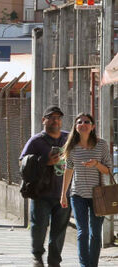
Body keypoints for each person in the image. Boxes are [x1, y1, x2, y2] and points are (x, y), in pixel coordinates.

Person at [59, 113, 112, 267]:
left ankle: (92, 264)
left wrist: (96, 163)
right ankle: (84, 265)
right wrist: (64, 194)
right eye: (79, 122)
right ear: (76, 127)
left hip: (98, 196)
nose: (83, 124)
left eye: (87, 122)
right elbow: (68, 170)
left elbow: (108, 170)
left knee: (95, 234)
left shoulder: (101, 145)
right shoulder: (71, 146)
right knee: (82, 233)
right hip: (78, 195)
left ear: (92, 126)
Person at [20, 106, 69, 267]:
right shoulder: (36, 141)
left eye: (58, 118)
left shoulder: (68, 139)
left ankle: (54, 261)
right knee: (39, 227)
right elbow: (23, 163)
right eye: (52, 117)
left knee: (59, 231)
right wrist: (45, 162)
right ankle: (37, 256)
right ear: (44, 120)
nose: (55, 120)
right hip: (41, 193)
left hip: (63, 193)